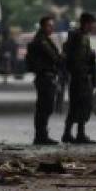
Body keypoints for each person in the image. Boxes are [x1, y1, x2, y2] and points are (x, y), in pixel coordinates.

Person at [62, 12, 96, 144]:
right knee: (79, 105)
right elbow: (75, 58)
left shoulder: (82, 36)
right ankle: (76, 134)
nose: (93, 26)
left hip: (81, 75)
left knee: (81, 105)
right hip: (79, 76)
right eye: (92, 24)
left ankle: (74, 133)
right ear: (86, 23)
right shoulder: (78, 36)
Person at [27, 16, 63, 145]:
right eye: (49, 25)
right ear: (43, 26)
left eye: (52, 25)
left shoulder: (44, 39)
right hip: (45, 77)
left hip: (46, 77)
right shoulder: (42, 41)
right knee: (44, 107)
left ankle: (42, 135)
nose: (52, 28)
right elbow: (54, 57)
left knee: (45, 107)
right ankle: (40, 136)